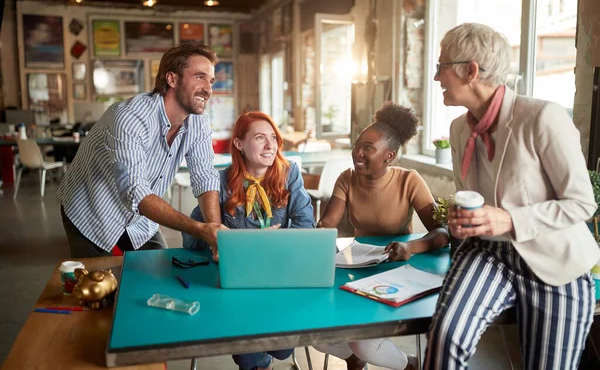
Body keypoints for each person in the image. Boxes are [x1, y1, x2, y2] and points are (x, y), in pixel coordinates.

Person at [423, 23, 600, 369]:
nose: (436, 78)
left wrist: (510, 219)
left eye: (441, 67)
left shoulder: (542, 117)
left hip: (554, 261)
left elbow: (581, 203)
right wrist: (462, 222)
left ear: (470, 70)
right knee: (445, 339)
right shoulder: (459, 129)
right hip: (489, 252)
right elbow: (471, 198)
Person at [58, 42, 226, 258]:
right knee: (100, 285)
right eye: (199, 77)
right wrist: (199, 229)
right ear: (172, 79)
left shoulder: (199, 122)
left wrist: (216, 235)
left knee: (160, 274)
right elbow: (136, 192)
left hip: (141, 219)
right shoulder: (129, 117)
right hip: (92, 210)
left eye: (211, 80)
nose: (208, 89)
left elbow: (204, 176)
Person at [314, 103, 450, 370]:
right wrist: (314, 234)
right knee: (317, 335)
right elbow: (327, 225)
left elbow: (442, 232)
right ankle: (356, 359)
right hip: (356, 269)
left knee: (363, 341)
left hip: (401, 271)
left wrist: (411, 247)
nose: (358, 153)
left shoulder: (409, 180)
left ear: (389, 156)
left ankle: (409, 366)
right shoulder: (347, 178)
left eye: (368, 147)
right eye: (357, 145)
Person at [183, 111, 315, 370]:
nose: (270, 146)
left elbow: (306, 225)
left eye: (273, 138)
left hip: (279, 278)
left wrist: (262, 243)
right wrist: (215, 243)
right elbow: (192, 238)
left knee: (282, 347)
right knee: (249, 354)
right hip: (236, 282)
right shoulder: (219, 182)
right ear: (239, 144)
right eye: (259, 138)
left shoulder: (290, 173)